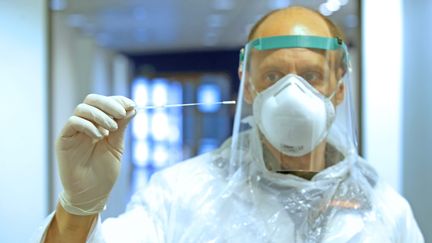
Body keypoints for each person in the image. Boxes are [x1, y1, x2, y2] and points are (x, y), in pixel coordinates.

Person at [35, 6, 424, 243]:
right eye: (273, 77)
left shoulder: (383, 210)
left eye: (311, 76)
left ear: (339, 89)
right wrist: (79, 207)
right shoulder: (181, 195)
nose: (293, 93)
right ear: (249, 85)